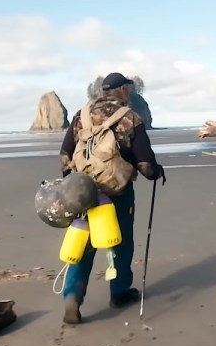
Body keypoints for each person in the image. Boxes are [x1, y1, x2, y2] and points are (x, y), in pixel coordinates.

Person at [59, 72, 165, 324]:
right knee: (119, 242)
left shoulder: (81, 116)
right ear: (124, 91)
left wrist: (73, 182)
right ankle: (118, 293)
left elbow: (65, 153)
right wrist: (156, 172)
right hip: (116, 193)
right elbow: (145, 163)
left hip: (83, 191)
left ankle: (72, 296)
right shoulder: (129, 118)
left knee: (83, 245)